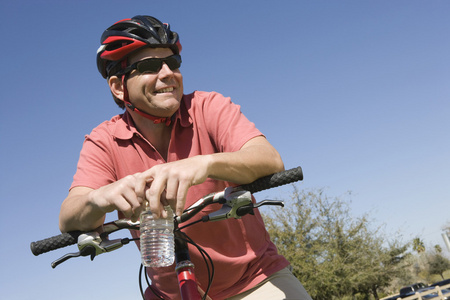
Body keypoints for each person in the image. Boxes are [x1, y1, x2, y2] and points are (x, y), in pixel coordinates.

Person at [59, 15, 312, 300]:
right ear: (119, 87)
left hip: (253, 279)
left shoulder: (208, 107)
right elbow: (69, 214)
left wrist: (204, 164)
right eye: (150, 66)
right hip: (168, 294)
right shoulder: (104, 140)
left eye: (173, 63)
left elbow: (269, 159)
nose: (168, 73)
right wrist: (100, 197)